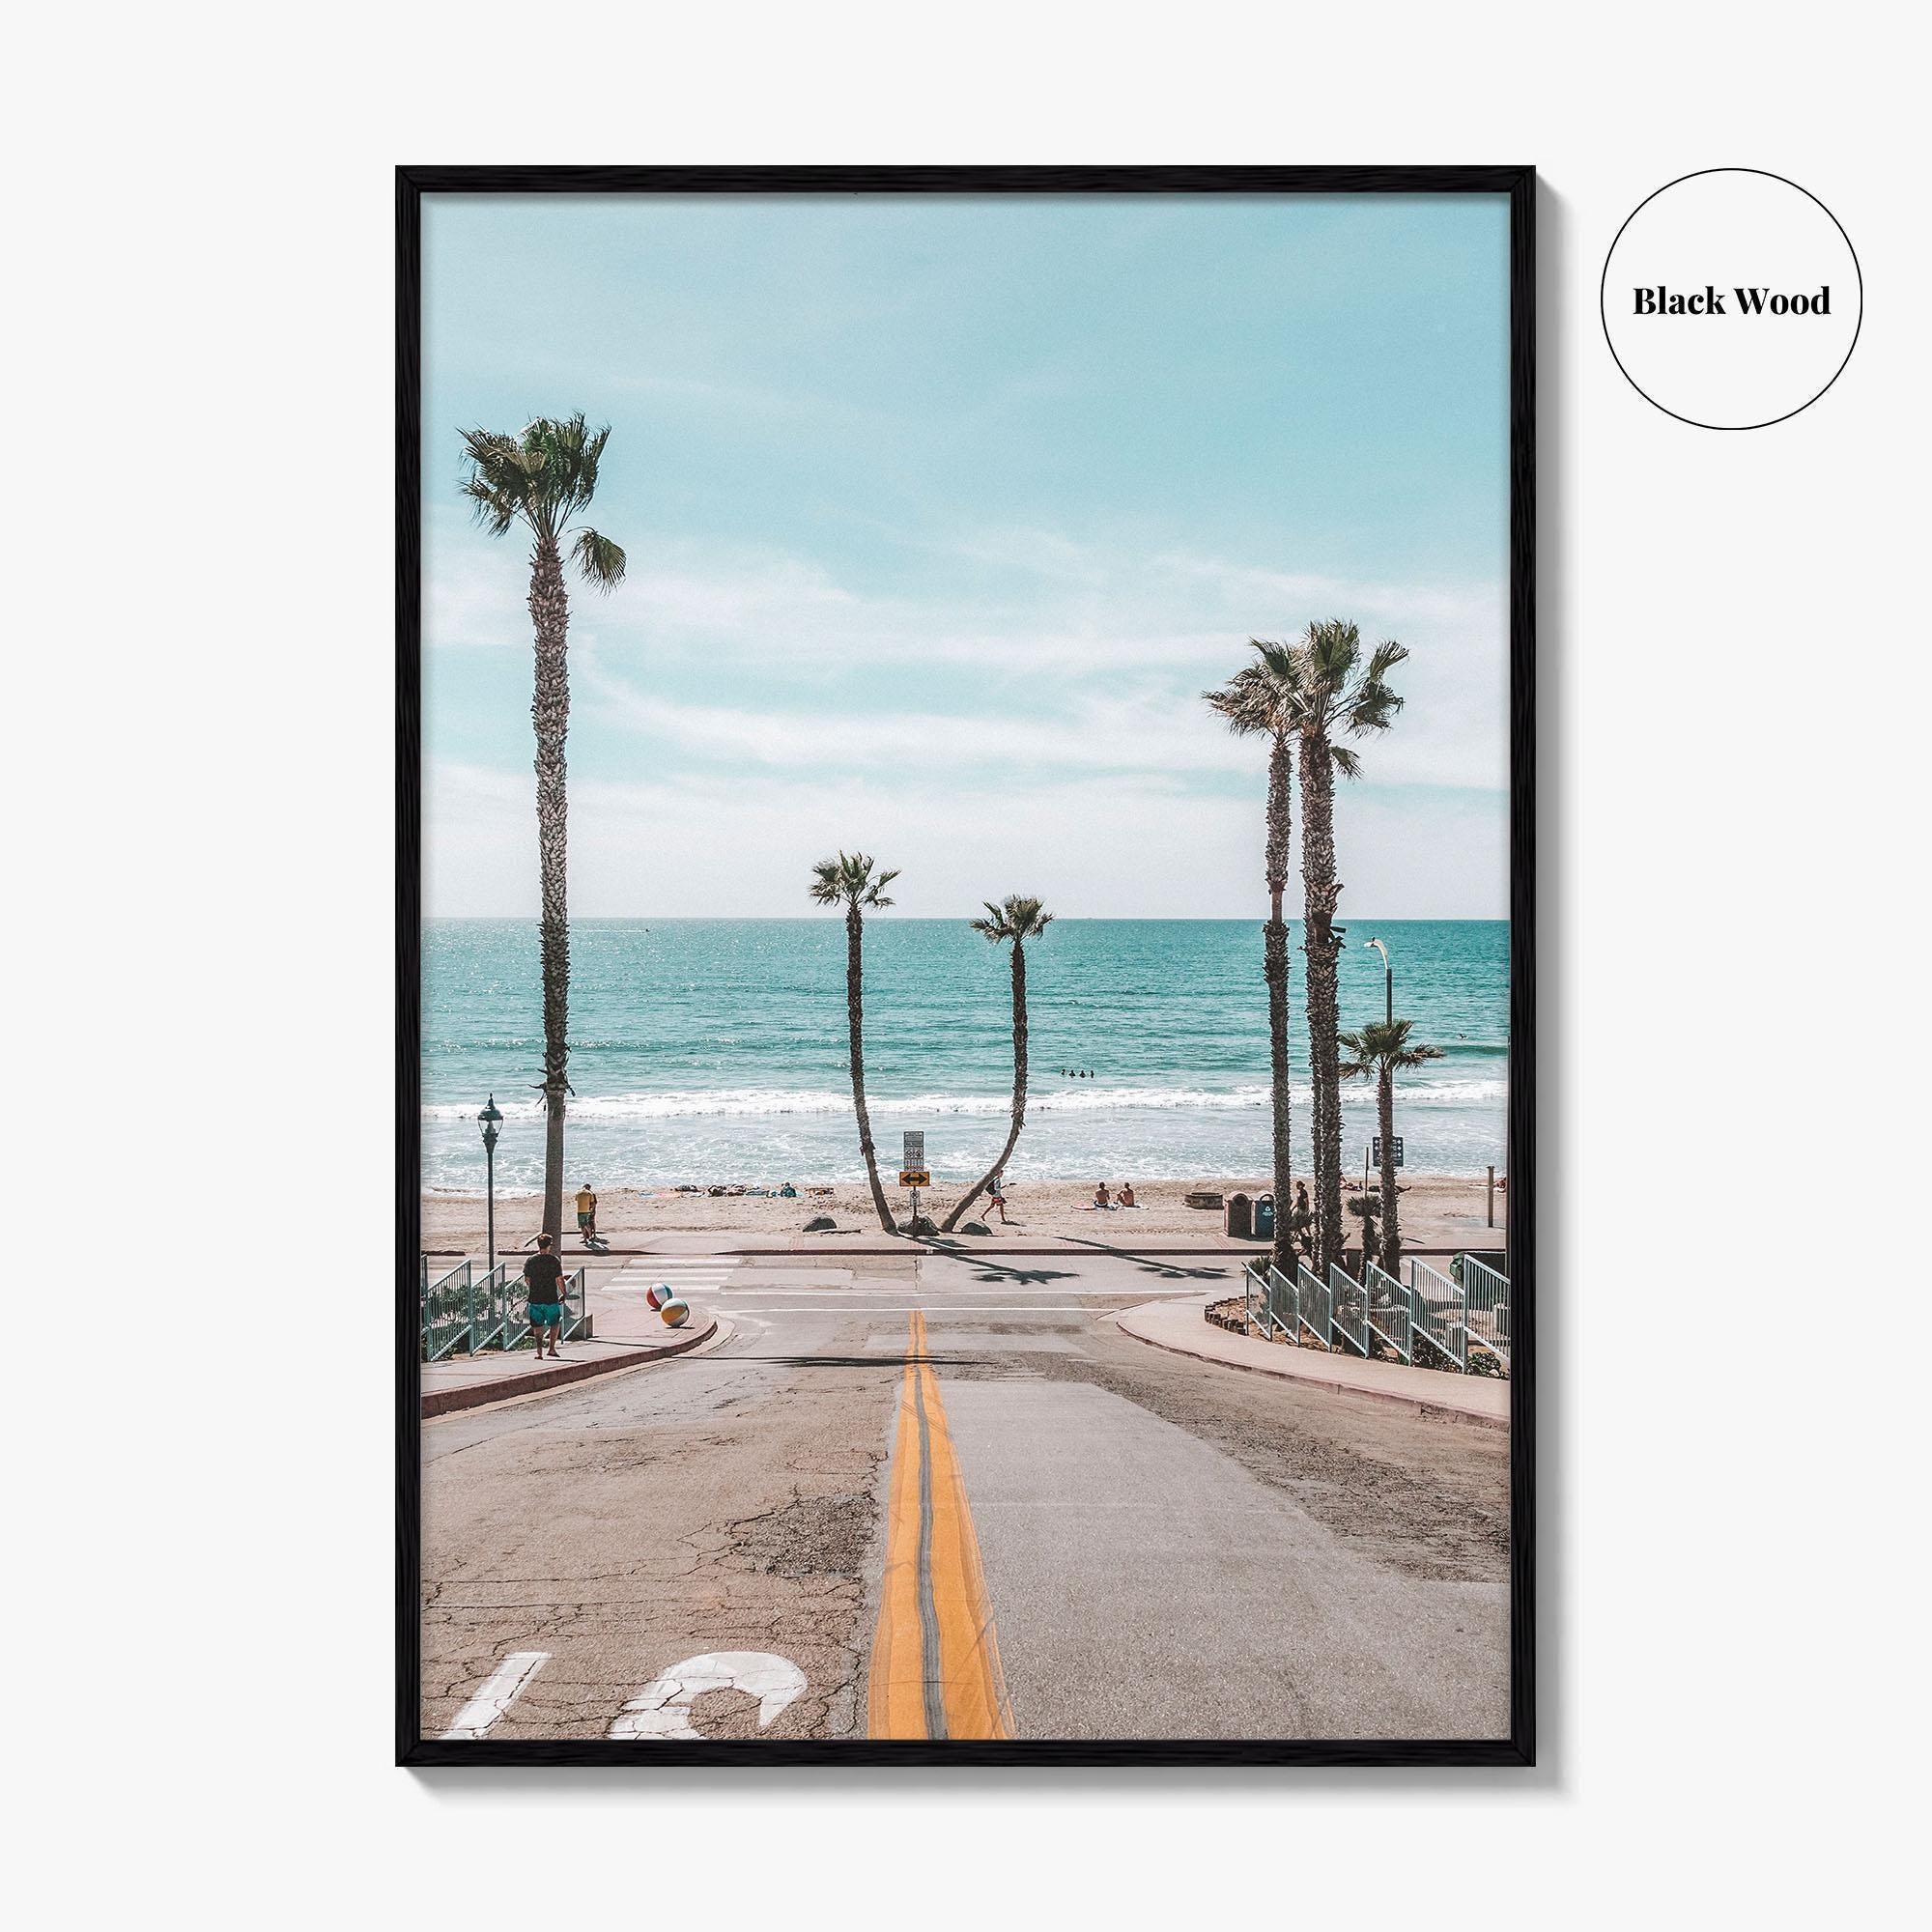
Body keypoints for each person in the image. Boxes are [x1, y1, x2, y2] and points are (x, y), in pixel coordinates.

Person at [523, 1235, 566, 1358]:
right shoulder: (554, 1260)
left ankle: (539, 1352)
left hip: (535, 1297)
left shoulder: (531, 1260)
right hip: (550, 1297)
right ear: (549, 1246)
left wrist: (533, 1288)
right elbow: (559, 1279)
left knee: (537, 1326)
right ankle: (552, 1349)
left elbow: (527, 1279)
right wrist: (564, 1293)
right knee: (554, 1323)